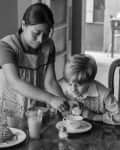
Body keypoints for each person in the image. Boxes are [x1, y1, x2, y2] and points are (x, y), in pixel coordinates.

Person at [0, 3, 69, 120]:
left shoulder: (48, 46)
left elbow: (50, 82)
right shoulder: (7, 46)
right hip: (10, 112)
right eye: (36, 33)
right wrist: (51, 99)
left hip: (36, 111)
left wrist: (64, 103)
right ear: (23, 25)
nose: (40, 40)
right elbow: (15, 82)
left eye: (45, 35)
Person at [59, 54, 120, 125]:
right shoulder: (61, 88)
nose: (73, 89)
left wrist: (94, 117)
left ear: (90, 81)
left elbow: (118, 116)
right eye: (69, 84)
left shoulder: (104, 94)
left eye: (78, 85)